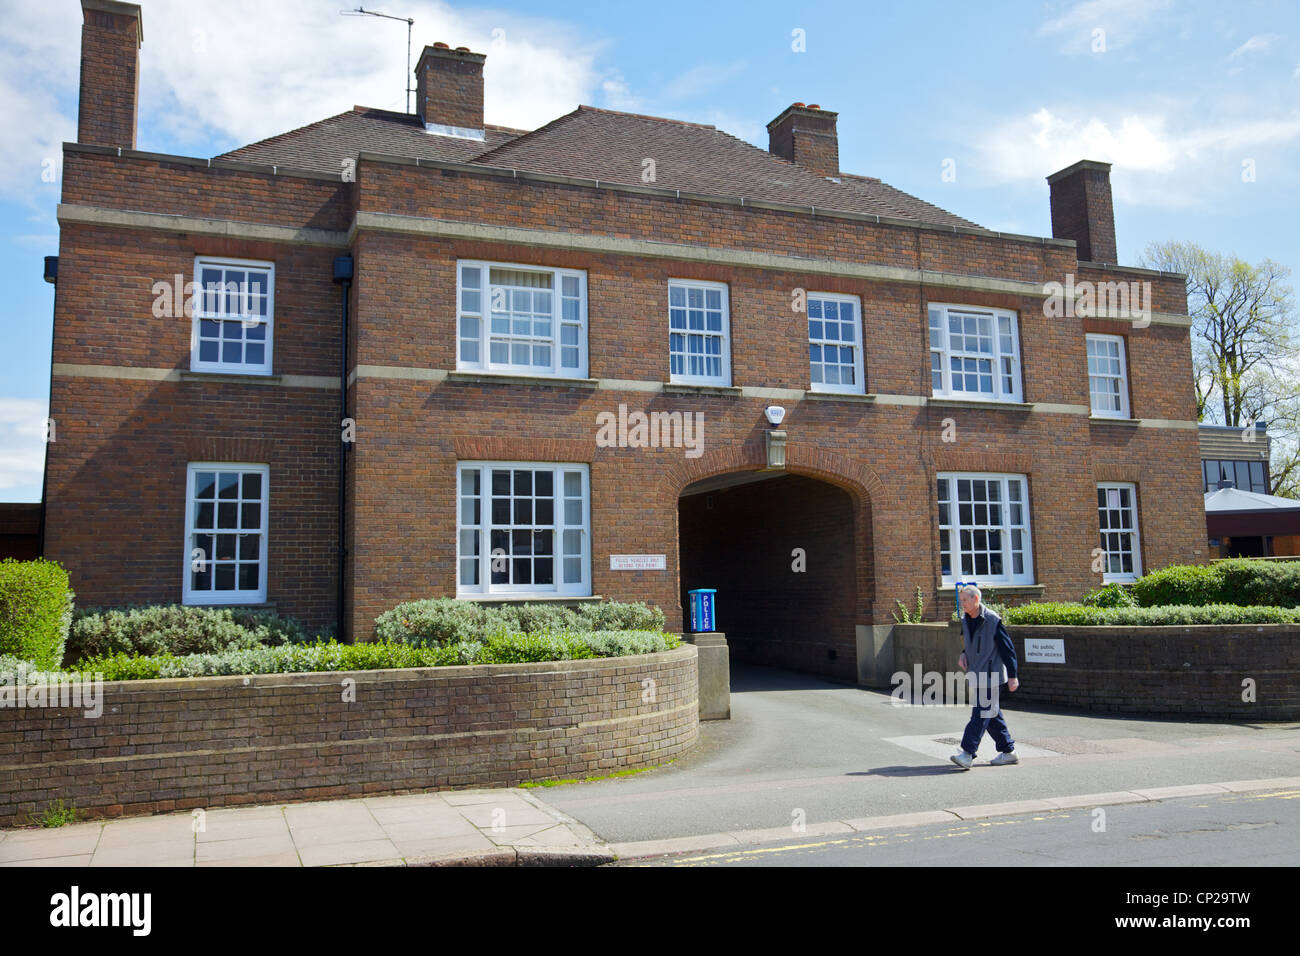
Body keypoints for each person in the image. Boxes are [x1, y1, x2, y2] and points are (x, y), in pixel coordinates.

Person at [950, 584, 1020, 770]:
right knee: (991, 714)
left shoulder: (992, 620)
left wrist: (1013, 676)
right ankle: (1008, 751)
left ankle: (967, 753)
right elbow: (970, 643)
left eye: (965, 600)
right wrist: (964, 653)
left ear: (976, 599)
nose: (961, 603)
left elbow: (1008, 649)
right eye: (961, 600)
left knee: (981, 713)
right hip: (976, 673)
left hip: (991, 675)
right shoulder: (966, 619)